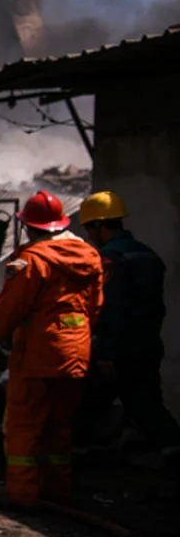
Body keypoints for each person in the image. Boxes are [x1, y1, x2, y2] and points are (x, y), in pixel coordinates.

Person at [0, 190, 102, 506]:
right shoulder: (90, 257)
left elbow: (9, 311)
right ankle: (58, 493)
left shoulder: (31, 261)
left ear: (28, 226)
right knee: (58, 429)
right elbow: (96, 308)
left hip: (37, 356)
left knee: (23, 429)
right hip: (76, 355)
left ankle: (23, 497)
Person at [78, 190, 180, 454]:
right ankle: (170, 451)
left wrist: (106, 354)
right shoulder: (148, 255)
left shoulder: (111, 259)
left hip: (119, 351)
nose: (89, 236)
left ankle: (74, 460)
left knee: (87, 406)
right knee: (147, 405)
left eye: (89, 229)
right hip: (147, 345)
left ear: (100, 226)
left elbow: (111, 308)